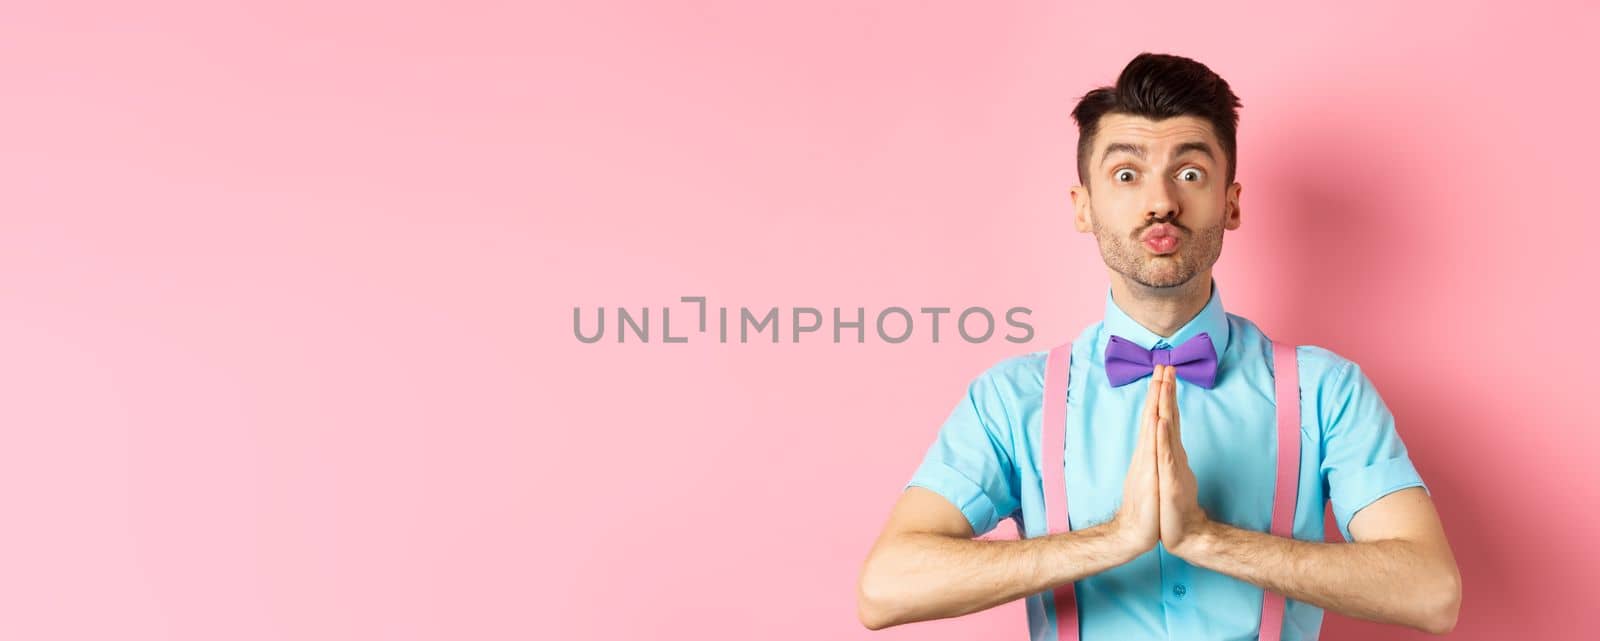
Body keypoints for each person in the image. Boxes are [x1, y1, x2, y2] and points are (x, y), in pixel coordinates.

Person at [855, 52, 1461, 640]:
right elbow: (886, 588)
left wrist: (1206, 537)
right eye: (1127, 174)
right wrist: (1114, 538)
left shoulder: (1326, 390)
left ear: (1231, 202)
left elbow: (1431, 593)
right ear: (1083, 207)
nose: (1161, 201)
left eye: (1190, 173)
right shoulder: (1013, 400)